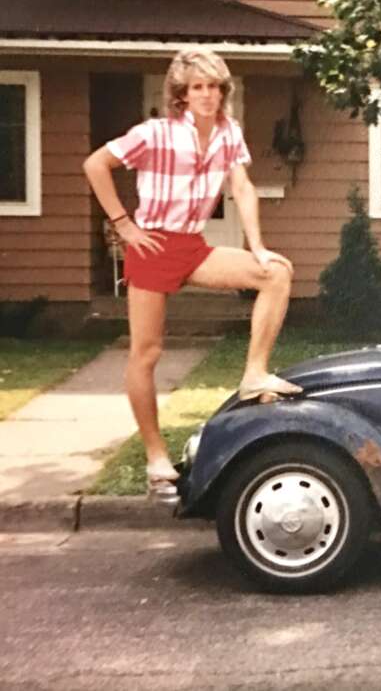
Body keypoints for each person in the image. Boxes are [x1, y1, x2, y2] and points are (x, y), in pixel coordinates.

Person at [83, 48, 301, 504]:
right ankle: (156, 459)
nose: (206, 95)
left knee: (276, 272)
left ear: (224, 92)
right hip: (153, 245)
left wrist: (256, 245)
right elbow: (95, 164)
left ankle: (254, 374)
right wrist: (123, 225)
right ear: (181, 95)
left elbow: (240, 186)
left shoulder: (228, 134)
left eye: (214, 87)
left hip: (194, 247)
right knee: (147, 352)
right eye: (197, 88)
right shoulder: (155, 133)